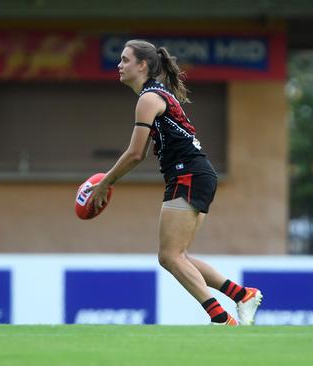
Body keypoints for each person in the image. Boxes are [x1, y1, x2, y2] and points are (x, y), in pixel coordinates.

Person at [85, 39, 262, 326]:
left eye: (125, 60)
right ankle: (242, 295)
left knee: (169, 256)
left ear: (142, 65)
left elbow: (135, 154)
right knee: (178, 256)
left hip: (188, 174)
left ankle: (221, 319)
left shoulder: (148, 98)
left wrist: (106, 182)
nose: (119, 65)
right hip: (194, 173)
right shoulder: (156, 94)